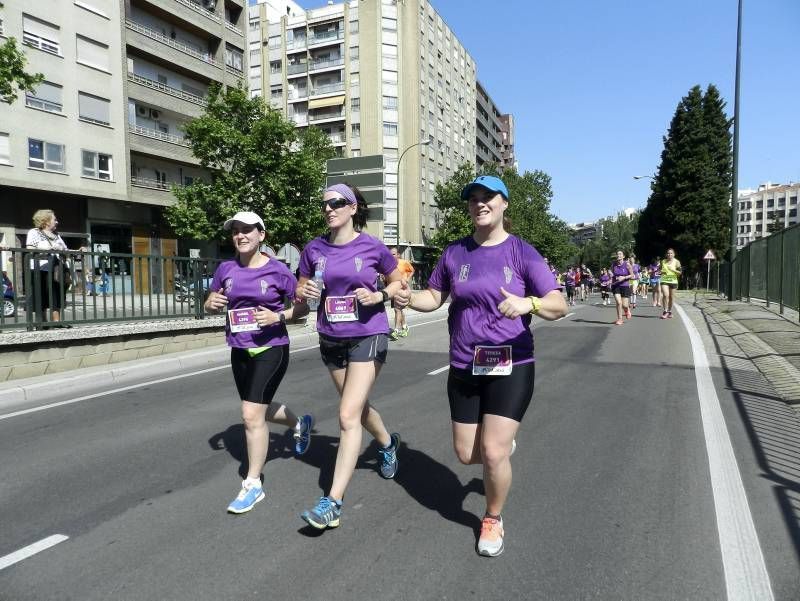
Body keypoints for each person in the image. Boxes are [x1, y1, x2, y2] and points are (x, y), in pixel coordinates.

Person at [394, 175, 567, 557]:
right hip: (464, 365)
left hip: (512, 363)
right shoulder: (455, 253)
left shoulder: (522, 252)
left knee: (491, 452)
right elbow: (435, 296)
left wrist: (530, 304)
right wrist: (409, 298)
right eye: (472, 199)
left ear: (504, 203)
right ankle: (500, 448)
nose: (479, 203)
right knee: (465, 455)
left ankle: (492, 516)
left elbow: (559, 303)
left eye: (487, 197)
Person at [296, 183, 404, 530]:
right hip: (331, 338)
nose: (329, 209)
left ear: (354, 207)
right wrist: (304, 290)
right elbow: (300, 292)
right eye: (325, 204)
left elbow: (398, 282)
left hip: (368, 334)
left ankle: (333, 502)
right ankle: (388, 444)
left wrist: (380, 296)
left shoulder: (372, 246)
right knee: (356, 408)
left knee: (346, 415)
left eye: (337, 203)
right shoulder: (314, 249)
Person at [204, 211, 314, 514]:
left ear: (261, 235)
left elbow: (302, 310)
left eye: (247, 230)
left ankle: (252, 483)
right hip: (239, 348)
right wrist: (209, 303)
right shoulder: (225, 269)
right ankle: (298, 422)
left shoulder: (278, 271)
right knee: (258, 410)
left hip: (271, 348)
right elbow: (211, 301)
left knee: (251, 414)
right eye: (235, 231)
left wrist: (278, 315)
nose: (240, 236)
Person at [25, 209, 70, 328]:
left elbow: (65, 250)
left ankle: (57, 322)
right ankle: (42, 322)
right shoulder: (34, 232)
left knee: (57, 294)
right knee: (41, 295)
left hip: (56, 268)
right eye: (54, 219)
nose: (57, 222)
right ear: (46, 221)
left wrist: (77, 251)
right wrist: (48, 249)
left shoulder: (57, 235)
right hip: (40, 268)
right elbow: (30, 248)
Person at [389, 246, 415, 340]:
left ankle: (396, 330)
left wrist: (407, 279)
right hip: (393, 290)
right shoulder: (389, 264)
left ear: (398, 255)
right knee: (399, 310)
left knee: (397, 309)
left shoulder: (403, 262)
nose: (391, 256)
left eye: (393, 254)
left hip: (402, 289)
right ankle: (404, 326)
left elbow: (412, 270)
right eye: (390, 254)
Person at [610, 250, 634, 325]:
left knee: (625, 305)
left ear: (623, 256)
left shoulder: (627, 264)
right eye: (617, 254)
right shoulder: (613, 264)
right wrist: (610, 274)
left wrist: (624, 277)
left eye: (620, 254)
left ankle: (627, 310)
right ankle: (620, 319)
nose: (618, 255)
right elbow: (610, 271)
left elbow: (632, 275)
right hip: (615, 285)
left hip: (625, 285)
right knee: (618, 302)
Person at [659, 248, 682, 319]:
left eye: (671, 253)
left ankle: (669, 311)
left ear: (674, 254)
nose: (669, 254)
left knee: (671, 297)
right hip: (664, 280)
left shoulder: (676, 262)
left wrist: (673, 270)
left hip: (673, 281)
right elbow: (660, 270)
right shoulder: (663, 261)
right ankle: (665, 311)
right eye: (668, 253)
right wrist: (661, 272)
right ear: (666, 254)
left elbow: (680, 272)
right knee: (666, 295)